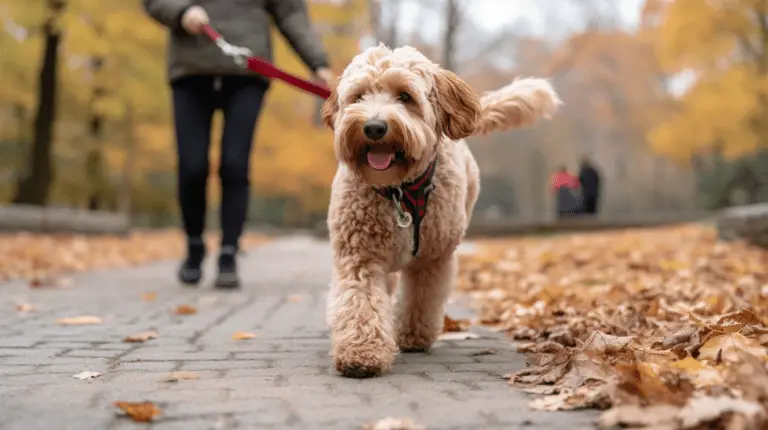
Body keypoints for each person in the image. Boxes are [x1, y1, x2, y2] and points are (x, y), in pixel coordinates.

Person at [142, 0, 334, 289]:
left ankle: (228, 254)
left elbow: (291, 12)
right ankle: (194, 246)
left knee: (234, 164)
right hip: (191, 69)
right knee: (192, 166)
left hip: (246, 72)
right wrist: (181, 12)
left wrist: (317, 62)